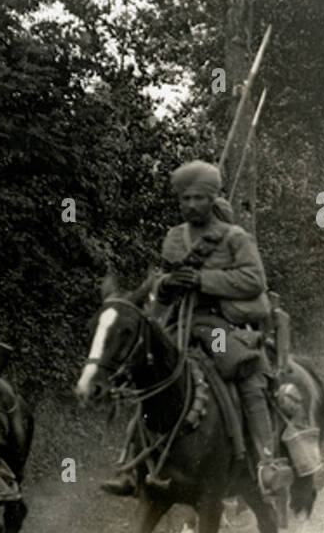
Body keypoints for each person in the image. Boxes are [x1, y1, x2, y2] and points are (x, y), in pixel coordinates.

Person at [101, 160, 284, 497]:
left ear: (213, 198)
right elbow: (160, 284)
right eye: (185, 199)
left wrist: (203, 279)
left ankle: (265, 460)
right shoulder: (174, 237)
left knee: (243, 371)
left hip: (218, 325)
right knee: (147, 375)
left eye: (199, 198)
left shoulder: (234, 237)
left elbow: (254, 279)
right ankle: (130, 463)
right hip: (176, 323)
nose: (191, 205)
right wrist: (171, 283)